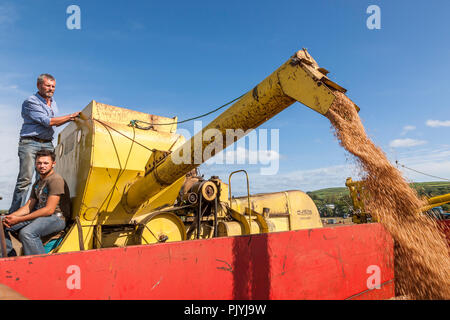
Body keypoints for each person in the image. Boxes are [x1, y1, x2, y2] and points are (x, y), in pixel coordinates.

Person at [8, 73, 80, 214]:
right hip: (30, 143)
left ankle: (36, 212)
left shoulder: (53, 103)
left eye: (53, 86)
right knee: (25, 180)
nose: (51, 89)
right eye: (48, 85)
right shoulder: (31, 101)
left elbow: (55, 123)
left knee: (45, 179)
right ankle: (14, 215)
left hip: (47, 143)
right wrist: (71, 117)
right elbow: (48, 122)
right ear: (39, 85)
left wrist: (71, 119)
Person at [2, 149, 71, 256]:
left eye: (46, 163)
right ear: (35, 164)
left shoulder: (56, 179)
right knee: (2, 224)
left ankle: (40, 265)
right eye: (39, 163)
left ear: (53, 164)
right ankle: (10, 258)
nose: (42, 166)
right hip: (41, 217)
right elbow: (29, 206)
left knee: (27, 233)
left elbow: (49, 210)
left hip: (56, 218)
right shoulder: (38, 183)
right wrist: (11, 216)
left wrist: (19, 219)